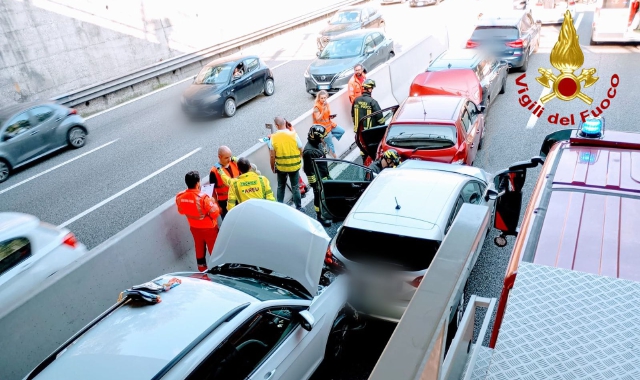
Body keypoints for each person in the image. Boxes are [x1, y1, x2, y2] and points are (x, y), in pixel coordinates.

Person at [175, 171, 221, 272]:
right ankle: (217, 269)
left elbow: (181, 211)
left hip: (194, 227)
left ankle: (202, 270)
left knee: (199, 247)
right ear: (197, 183)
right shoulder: (204, 198)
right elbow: (215, 213)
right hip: (209, 228)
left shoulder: (180, 196)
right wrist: (213, 202)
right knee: (214, 249)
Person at [269, 116, 304, 211]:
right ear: (285, 123)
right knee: (295, 187)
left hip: (281, 168)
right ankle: (299, 207)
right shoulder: (294, 135)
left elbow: (272, 155)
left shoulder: (274, 138)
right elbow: (301, 149)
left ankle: (280, 208)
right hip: (294, 166)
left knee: (281, 187)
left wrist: (273, 167)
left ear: (276, 125)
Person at [303, 125, 332, 227]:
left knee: (329, 194)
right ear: (315, 137)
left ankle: (329, 212)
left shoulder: (317, 144)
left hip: (324, 175)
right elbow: (308, 170)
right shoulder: (308, 152)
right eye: (321, 137)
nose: (322, 139)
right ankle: (320, 217)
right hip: (318, 179)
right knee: (318, 197)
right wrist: (315, 184)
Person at [352, 79, 386, 166]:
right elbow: (380, 118)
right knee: (374, 150)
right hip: (371, 132)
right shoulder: (372, 102)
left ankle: (364, 164)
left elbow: (353, 115)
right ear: (370, 89)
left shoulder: (356, 100)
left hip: (359, 132)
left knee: (363, 149)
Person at [209, 146, 240, 220]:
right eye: (226, 158)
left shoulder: (235, 164)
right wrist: (217, 206)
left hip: (238, 198)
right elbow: (212, 191)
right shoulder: (214, 171)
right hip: (224, 203)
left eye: (230, 157)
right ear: (219, 157)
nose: (229, 160)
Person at [312, 90, 345, 159]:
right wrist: (323, 110)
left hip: (329, 125)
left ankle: (325, 140)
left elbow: (327, 115)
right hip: (323, 129)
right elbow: (318, 119)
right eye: (322, 98)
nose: (324, 99)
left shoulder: (326, 104)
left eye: (325, 98)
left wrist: (330, 116)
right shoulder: (316, 107)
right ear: (319, 98)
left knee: (341, 131)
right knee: (331, 144)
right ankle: (335, 158)